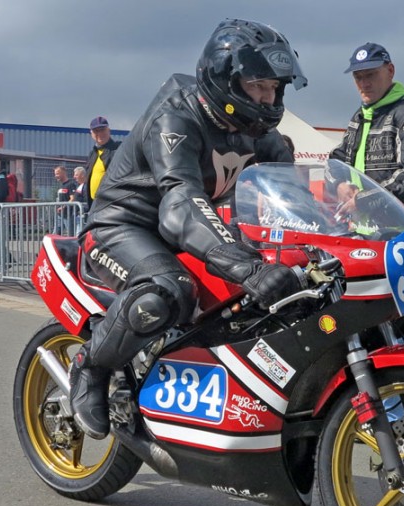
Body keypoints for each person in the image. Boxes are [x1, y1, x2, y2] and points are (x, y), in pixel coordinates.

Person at [68, 18, 306, 439]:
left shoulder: (258, 132)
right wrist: (249, 268)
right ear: (224, 79)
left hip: (183, 227)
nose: (269, 99)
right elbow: (179, 206)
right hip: (122, 226)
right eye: (258, 87)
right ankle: (92, 366)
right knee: (168, 292)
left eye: (273, 88)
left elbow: (292, 196)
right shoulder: (175, 118)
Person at [330, 42, 404, 229]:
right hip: (361, 230)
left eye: (371, 75)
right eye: (358, 77)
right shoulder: (360, 115)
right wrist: (339, 184)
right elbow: (337, 159)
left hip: (402, 233)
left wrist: (364, 201)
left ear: (390, 70)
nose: (364, 83)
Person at [82, 116, 121, 210]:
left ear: (109, 130)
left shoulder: (118, 149)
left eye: (102, 130)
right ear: (91, 133)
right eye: (96, 131)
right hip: (94, 204)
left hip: (110, 204)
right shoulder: (93, 153)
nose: (100, 133)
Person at [52, 165, 77, 235]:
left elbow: (72, 198)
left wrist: (63, 207)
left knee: (70, 234)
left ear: (63, 173)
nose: (56, 176)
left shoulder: (71, 184)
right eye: (55, 174)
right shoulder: (61, 185)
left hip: (68, 214)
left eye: (57, 173)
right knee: (55, 234)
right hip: (59, 215)